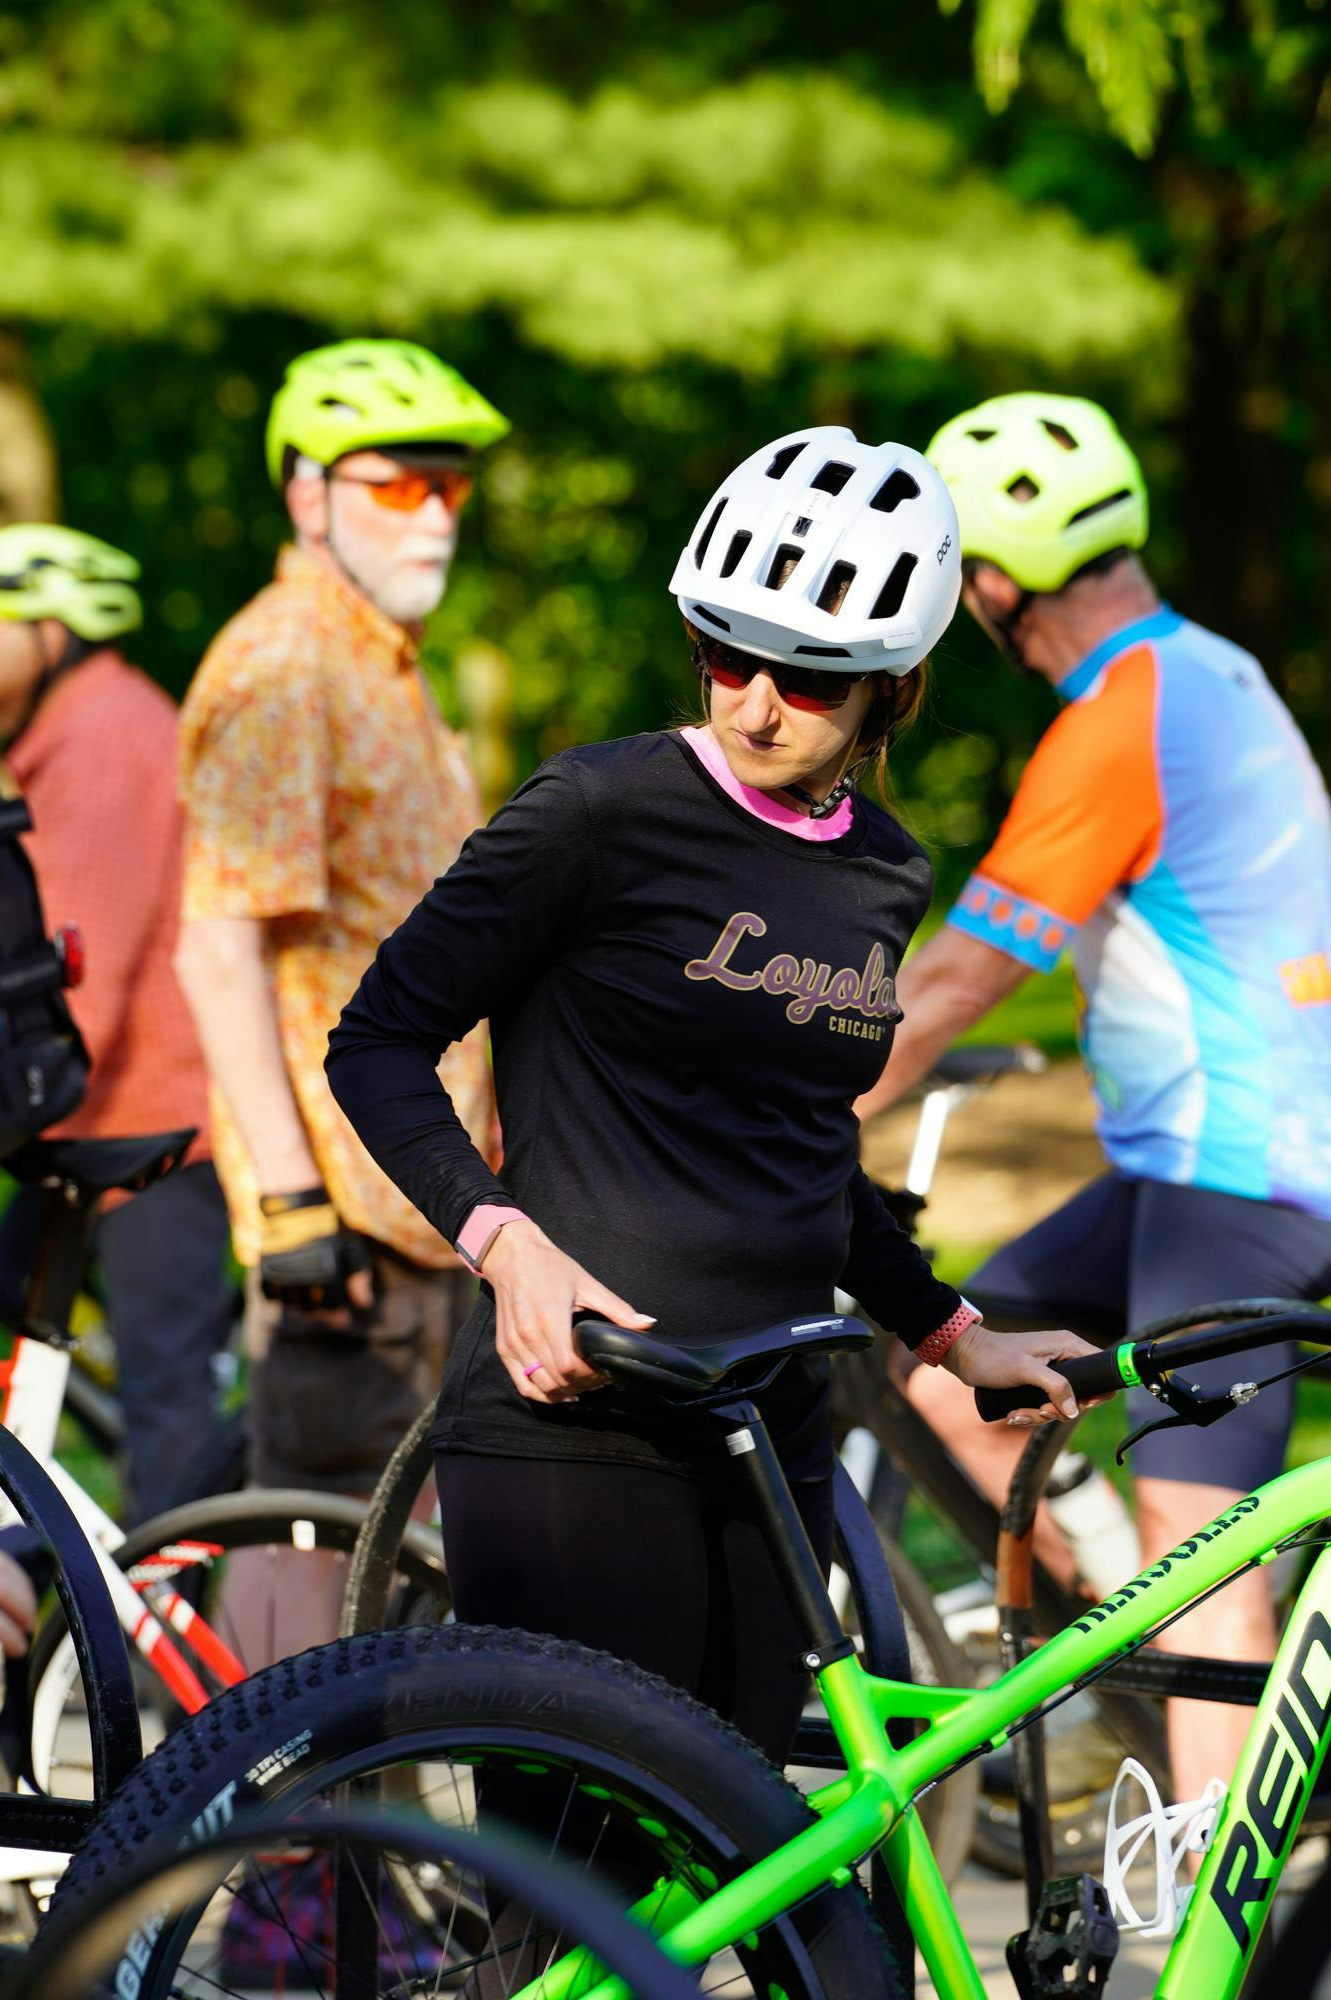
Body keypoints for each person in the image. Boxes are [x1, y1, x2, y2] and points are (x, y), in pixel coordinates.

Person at [325, 425, 1095, 1775]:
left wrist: (946, 1329)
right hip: (577, 1415)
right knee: (573, 1893)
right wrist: (501, 1242)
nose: (754, 703)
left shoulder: (884, 875)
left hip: (769, 1425)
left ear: (892, 688)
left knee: (737, 1874)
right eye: (726, 655)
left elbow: (797, 1150)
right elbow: (378, 1041)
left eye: (804, 678)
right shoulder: (597, 809)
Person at [854, 391, 1331, 1803]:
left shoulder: (1119, 721)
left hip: (1239, 1187)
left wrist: (786, 1121)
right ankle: (1129, 1645)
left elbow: (950, 984)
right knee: (944, 1371)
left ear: (992, 585)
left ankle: (1220, 1888)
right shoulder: (1210, 668)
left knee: (1208, 1563)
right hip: (1187, 1168)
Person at [174, 339, 508, 1655]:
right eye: (396, 486)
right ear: (308, 495)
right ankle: (287, 1850)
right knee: (311, 1549)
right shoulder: (281, 666)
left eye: (451, 487)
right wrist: (288, 1200)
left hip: (421, 1194)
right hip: (343, 1214)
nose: (431, 513)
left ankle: (324, 1836)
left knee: (365, 1541)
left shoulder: (386, 663)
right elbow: (221, 948)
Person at [0, 524, 234, 1525]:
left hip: (151, 1132)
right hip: (96, 1122)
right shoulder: (78, 729)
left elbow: (66, 972)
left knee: (165, 1407)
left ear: (51, 629)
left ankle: (176, 1664)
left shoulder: (104, 739)